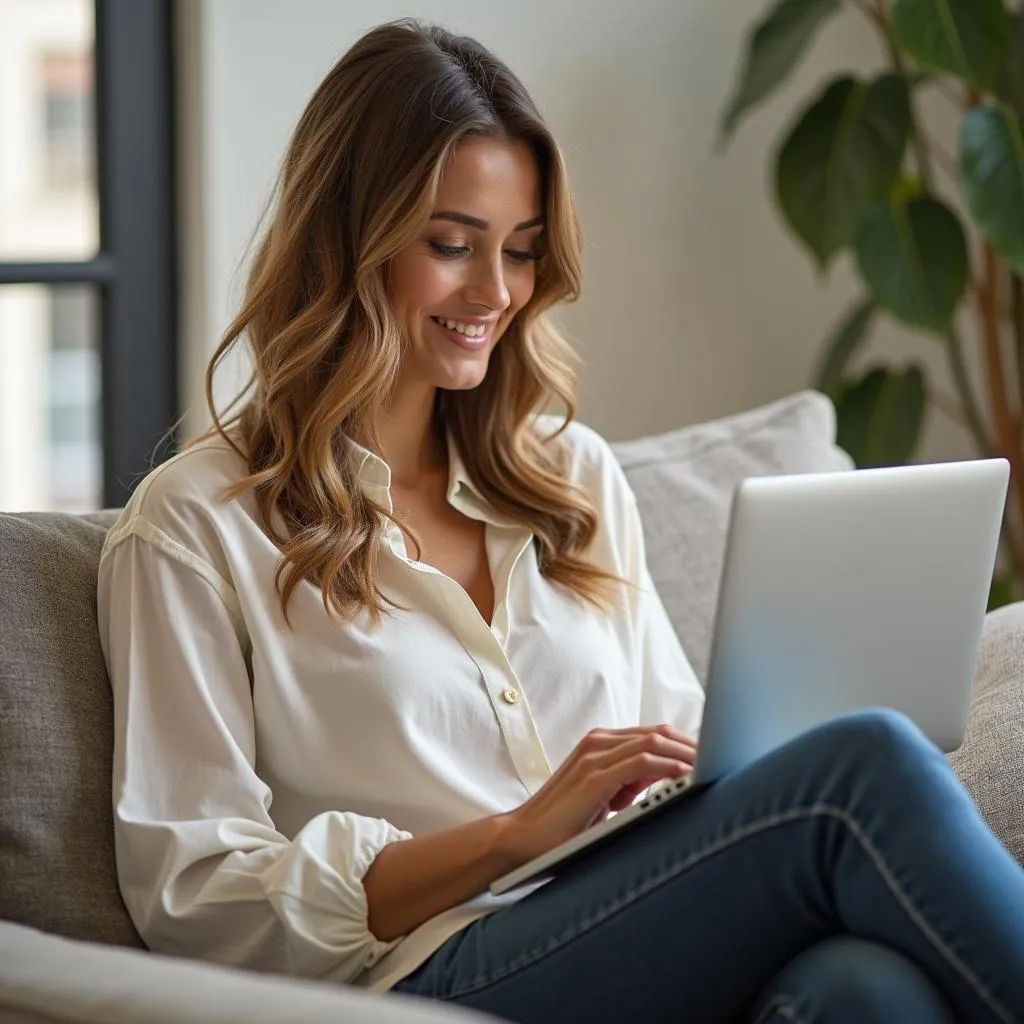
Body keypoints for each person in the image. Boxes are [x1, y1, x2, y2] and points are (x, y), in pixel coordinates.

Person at [97, 18, 1024, 1024]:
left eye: (523, 252)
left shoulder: (570, 479)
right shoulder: (195, 526)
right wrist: (513, 833)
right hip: (436, 968)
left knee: (862, 990)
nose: (494, 292)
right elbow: (197, 896)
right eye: (451, 245)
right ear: (346, 240)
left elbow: (680, 741)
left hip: (634, 920)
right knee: (865, 764)